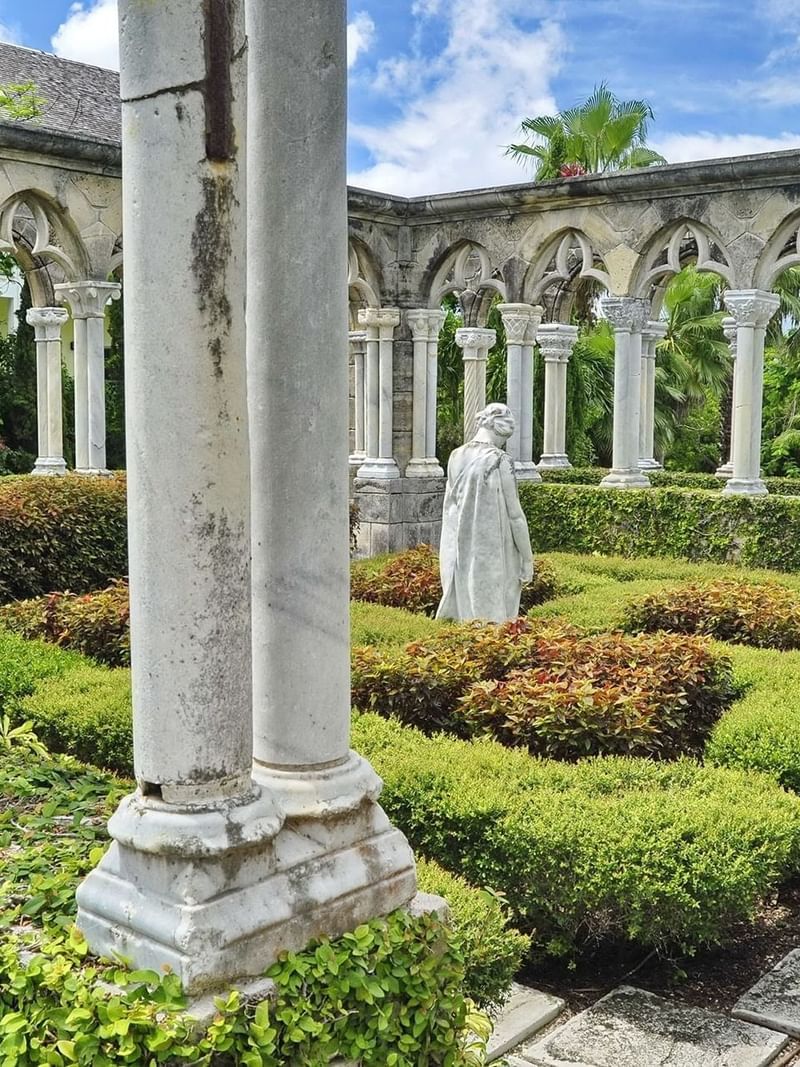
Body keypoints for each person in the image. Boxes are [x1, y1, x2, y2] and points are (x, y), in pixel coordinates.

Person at [436, 402, 534, 622]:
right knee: (494, 615)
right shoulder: (500, 459)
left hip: (462, 547)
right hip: (492, 549)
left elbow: (451, 508)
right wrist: (527, 559)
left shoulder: (455, 456)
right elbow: (515, 516)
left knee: (467, 612)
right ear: (500, 429)